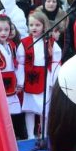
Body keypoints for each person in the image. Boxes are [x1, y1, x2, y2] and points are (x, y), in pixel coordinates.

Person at [18, 11, 61, 140]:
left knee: (44, 109)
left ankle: (44, 133)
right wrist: (21, 80)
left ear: (44, 26)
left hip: (45, 78)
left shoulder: (50, 42)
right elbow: (20, 62)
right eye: (31, 25)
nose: (34, 28)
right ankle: (31, 135)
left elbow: (56, 61)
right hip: (30, 78)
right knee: (30, 109)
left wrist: (54, 80)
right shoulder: (24, 42)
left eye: (37, 25)